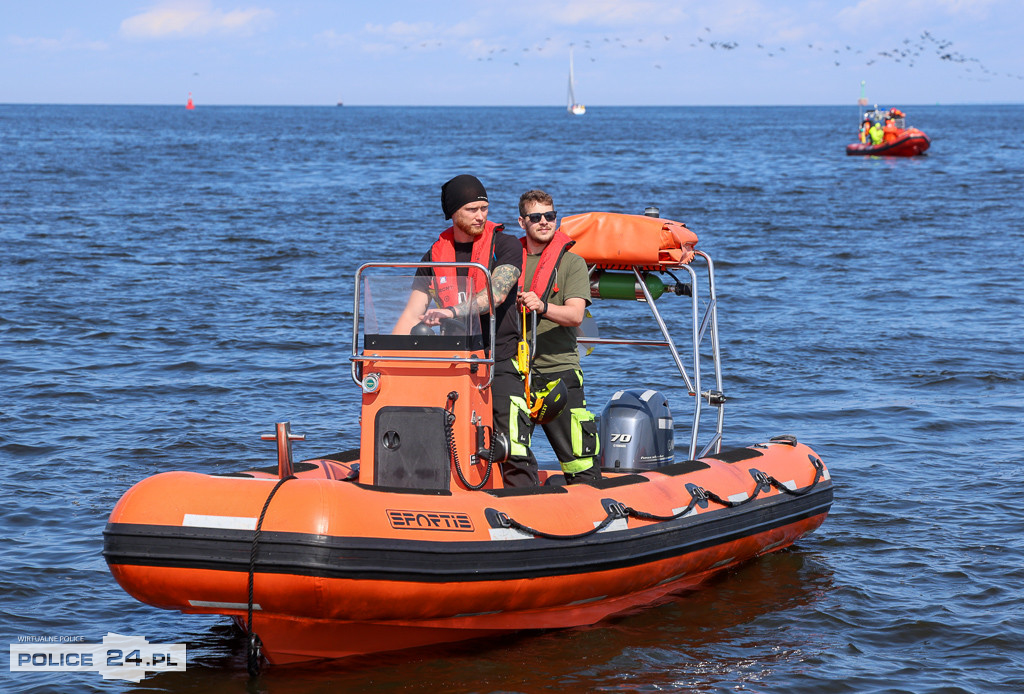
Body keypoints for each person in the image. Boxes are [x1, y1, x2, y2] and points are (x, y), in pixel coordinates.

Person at [393, 174, 534, 487]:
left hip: (500, 360)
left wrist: (451, 310)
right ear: (453, 213)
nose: (481, 215)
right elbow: (411, 312)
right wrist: (382, 356)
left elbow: (496, 293)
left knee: (513, 445)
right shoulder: (434, 255)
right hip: (453, 360)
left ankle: (524, 499)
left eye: (484, 207)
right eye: (472, 209)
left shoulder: (506, 244)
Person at [515, 189, 602, 485]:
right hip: (514, 375)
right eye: (536, 217)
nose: (544, 222)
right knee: (510, 456)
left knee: (580, 461)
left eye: (550, 216)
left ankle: (592, 509)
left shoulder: (572, 263)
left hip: (559, 373)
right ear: (521, 222)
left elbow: (576, 315)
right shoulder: (506, 262)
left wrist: (542, 306)